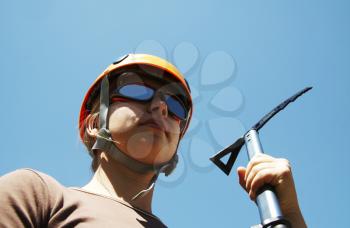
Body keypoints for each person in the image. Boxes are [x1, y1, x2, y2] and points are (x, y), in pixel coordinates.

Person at [0, 54, 306, 227]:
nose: (161, 106)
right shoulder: (37, 194)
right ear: (94, 125)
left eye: (175, 107)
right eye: (136, 89)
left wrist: (291, 216)